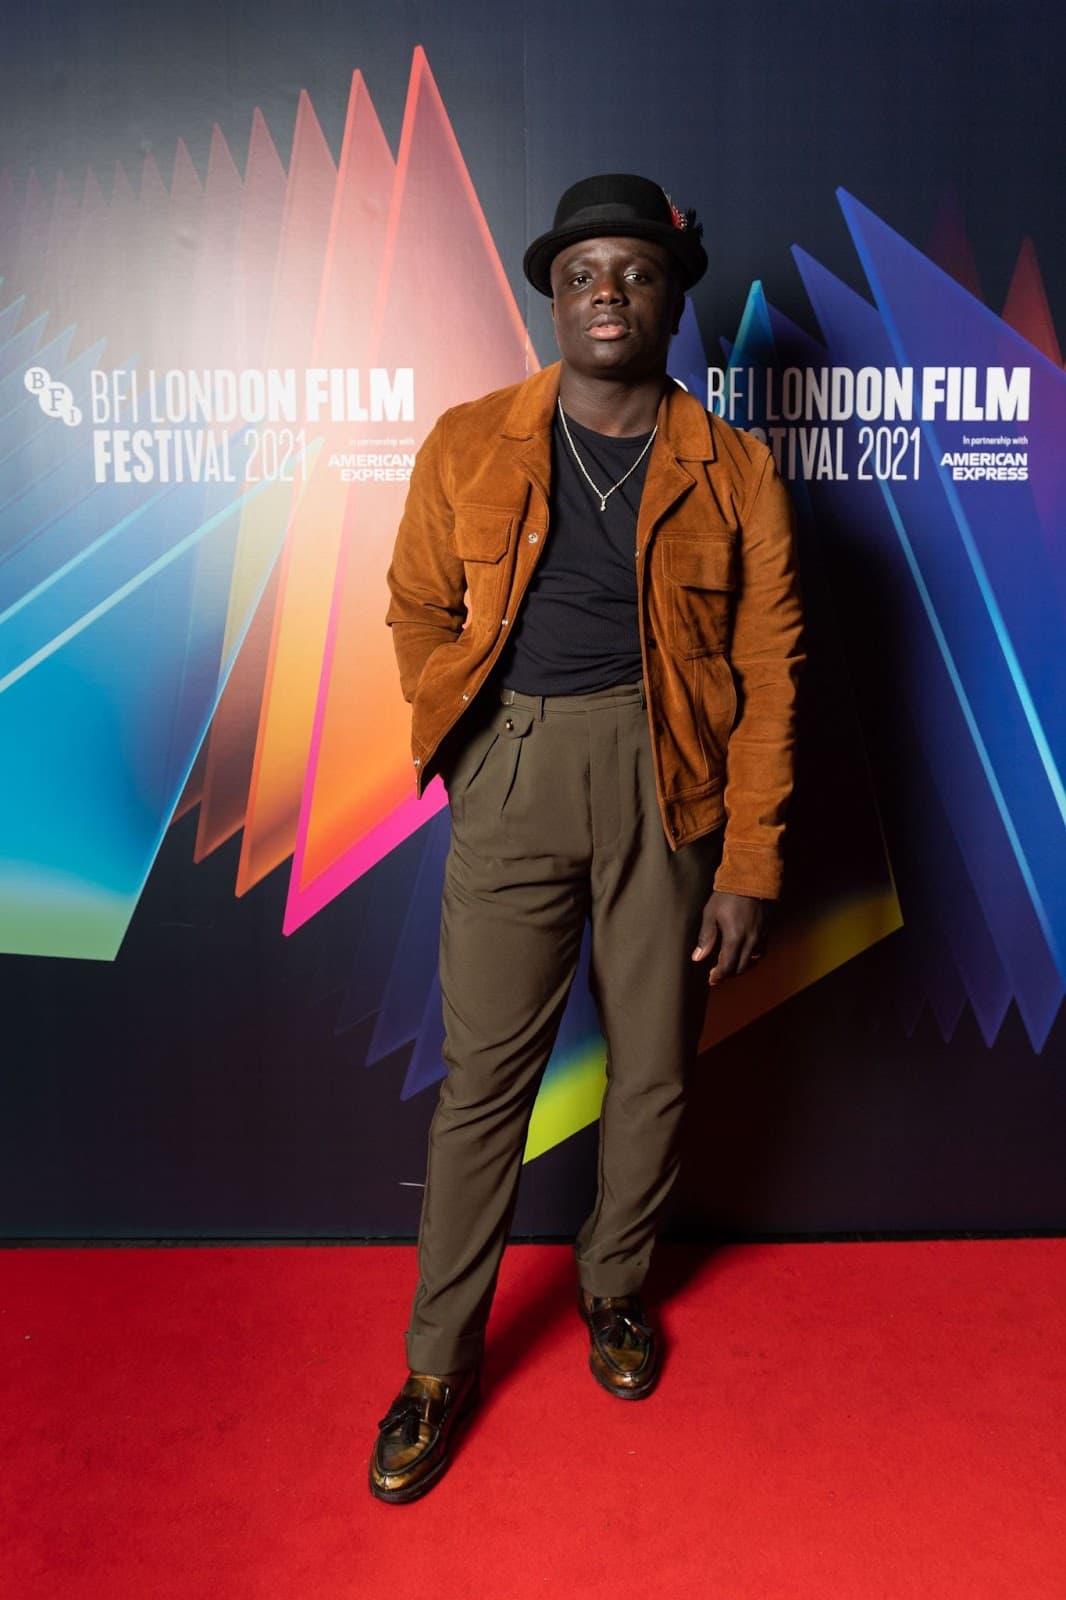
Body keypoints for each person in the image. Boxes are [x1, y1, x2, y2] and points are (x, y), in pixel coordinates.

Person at [371, 173, 804, 1503]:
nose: (603, 293)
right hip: (514, 767)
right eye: (579, 275)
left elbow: (769, 662)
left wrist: (745, 859)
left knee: (655, 1070)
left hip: (664, 781)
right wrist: (468, 741)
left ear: (672, 295)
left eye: (630, 271)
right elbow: (413, 609)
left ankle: (615, 1289)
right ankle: (438, 1365)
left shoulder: (730, 466)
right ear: (552, 300)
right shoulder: (468, 440)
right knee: (482, 1085)